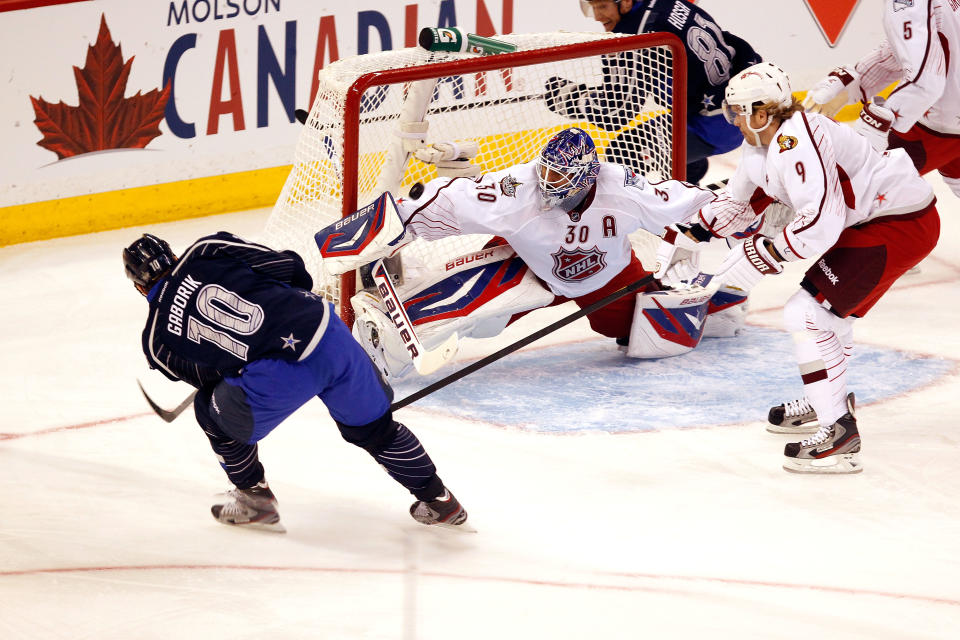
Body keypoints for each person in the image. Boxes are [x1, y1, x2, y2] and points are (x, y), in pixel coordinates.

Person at [655, 62, 940, 473]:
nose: (732, 118)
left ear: (762, 112)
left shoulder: (796, 140)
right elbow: (737, 204)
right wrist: (688, 236)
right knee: (827, 316)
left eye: (738, 110)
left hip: (897, 223)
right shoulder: (760, 147)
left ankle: (838, 432)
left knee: (805, 314)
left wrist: (760, 256)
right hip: (881, 221)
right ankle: (831, 398)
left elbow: (820, 223)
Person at [329, 127, 749, 382]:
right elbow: (451, 200)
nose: (547, 183)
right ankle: (384, 341)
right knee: (485, 318)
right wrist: (391, 223)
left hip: (607, 276)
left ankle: (713, 306)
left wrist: (742, 213)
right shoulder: (517, 189)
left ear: (588, 175)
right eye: (545, 172)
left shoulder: (622, 187)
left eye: (560, 177)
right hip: (527, 264)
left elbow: (686, 202)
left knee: (641, 334)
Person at [122, 232, 468, 530]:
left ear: (140, 287)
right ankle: (439, 501)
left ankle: (254, 499)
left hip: (278, 373)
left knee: (211, 415)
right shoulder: (207, 249)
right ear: (175, 254)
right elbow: (289, 268)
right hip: (326, 332)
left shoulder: (155, 341)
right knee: (376, 431)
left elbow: (212, 378)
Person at [550, 0, 762, 184]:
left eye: (603, 6)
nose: (597, 16)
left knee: (622, 151)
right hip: (736, 104)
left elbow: (616, 113)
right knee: (658, 132)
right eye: (592, 7)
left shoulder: (632, 33)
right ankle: (692, 172)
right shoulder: (665, 4)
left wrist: (568, 99)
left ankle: (632, 214)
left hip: (716, 126)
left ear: (625, 2)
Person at [803, 0, 960, 199]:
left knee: (841, 188)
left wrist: (873, 129)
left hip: (941, 128)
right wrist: (855, 83)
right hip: (950, 122)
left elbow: (926, 82)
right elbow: (923, 45)